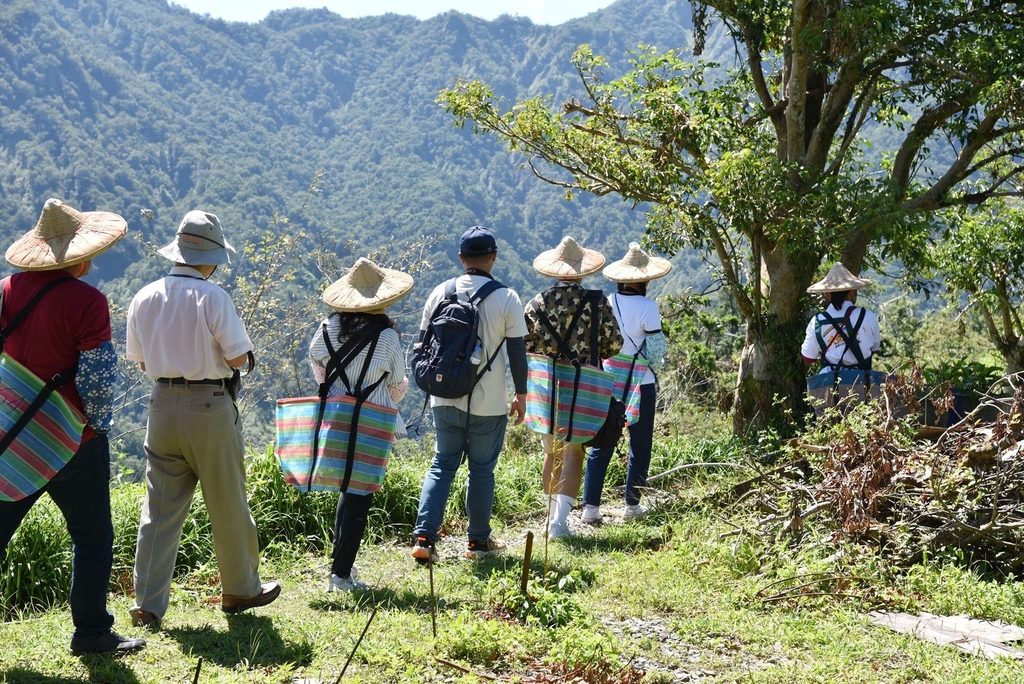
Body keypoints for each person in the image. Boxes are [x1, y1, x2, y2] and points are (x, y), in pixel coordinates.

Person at [0, 198, 145, 655]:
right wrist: (97, 426)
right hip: (70, 437)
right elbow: (98, 377)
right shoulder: (88, 301)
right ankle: (91, 633)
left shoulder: (5, 291)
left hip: (11, 437)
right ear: (80, 255)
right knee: (92, 537)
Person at [127, 210, 280, 628]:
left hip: (161, 405)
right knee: (227, 499)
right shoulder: (213, 298)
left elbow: (140, 362)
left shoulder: (144, 295)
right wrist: (246, 360)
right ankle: (240, 589)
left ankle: (147, 605)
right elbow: (235, 357)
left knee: (159, 509)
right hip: (209, 405)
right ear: (210, 258)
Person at [411, 226, 529, 561]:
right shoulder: (506, 298)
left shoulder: (440, 293)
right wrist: (521, 395)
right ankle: (477, 543)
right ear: (493, 257)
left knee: (441, 465)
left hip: (444, 395)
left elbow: (421, 345)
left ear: (461, 258)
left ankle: (424, 538)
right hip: (489, 402)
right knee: (481, 470)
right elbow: (517, 353)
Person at [308, 258, 412, 591]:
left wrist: (334, 389)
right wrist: (386, 403)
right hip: (372, 419)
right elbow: (397, 383)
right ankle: (340, 575)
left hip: (336, 415)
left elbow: (315, 360)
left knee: (346, 491)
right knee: (359, 495)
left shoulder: (326, 328)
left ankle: (339, 571)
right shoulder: (387, 338)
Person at [524, 236, 622, 539]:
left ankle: (550, 516)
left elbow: (526, 345)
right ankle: (559, 523)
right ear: (581, 270)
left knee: (551, 453)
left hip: (548, 386)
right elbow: (614, 345)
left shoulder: (537, 303)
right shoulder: (596, 301)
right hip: (584, 386)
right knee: (574, 453)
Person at [582, 242, 671, 523]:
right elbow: (657, 352)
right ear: (644, 280)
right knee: (640, 444)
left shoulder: (607, 302)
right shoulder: (648, 307)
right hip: (640, 381)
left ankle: (590, 508)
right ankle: (632, 505)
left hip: (608, 379)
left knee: (602, 440)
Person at [800, 262, 881, 414]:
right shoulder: (867, 316)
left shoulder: (816, 322)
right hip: (861, 384)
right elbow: (875, 348)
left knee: (828, 427)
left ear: (826, 294)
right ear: (851, 292)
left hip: (828, 387)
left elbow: (808, 357)